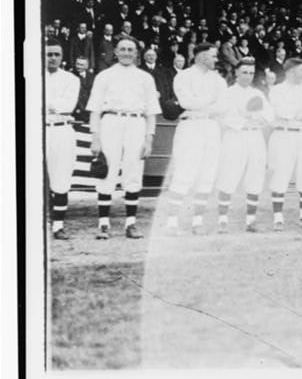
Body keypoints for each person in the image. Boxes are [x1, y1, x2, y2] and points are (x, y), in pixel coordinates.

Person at [85, 36, 160, 239]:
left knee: (133, 171)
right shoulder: (104, 76)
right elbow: (94, 110)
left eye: (131, 50)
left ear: (137, 54)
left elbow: (152, 112)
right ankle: (103, 225)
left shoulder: (146, 78)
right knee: (107, 170)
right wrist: (95, 137)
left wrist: (149, 139)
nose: (127, 53)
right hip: (111, 121)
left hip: (136, 122)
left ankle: (131, 224)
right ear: (115, 52)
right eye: (123, 49)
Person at [163, 42, 228, 234]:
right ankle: (172, 221)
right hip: (190, 126)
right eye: (213, 56)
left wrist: (202, 103)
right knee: (185, 171)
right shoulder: (183, 76)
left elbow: (223, 106)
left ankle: (197, 221)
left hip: (211, 126)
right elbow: (185, 102)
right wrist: (209, 100)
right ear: (201, 57)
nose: (216, 59)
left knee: (207, 173)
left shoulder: (218, 80)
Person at [211, 56, 274, 233]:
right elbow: (222, 116)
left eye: (251, 73)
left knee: (255, 176)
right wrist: (242, 119)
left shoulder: (258, 94)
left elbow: (269, 115)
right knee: (229, 175)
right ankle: (223, 220)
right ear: (237, 73)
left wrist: (254, 117)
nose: (248, 76)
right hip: (235, 136)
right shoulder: (228, 93)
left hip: (255, 137)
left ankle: (251, 221)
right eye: (244, 72)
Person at [266, 58, 302, 230]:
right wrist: (300, 111)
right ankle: (278, 219)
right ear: (290, 71)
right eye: (301, 70)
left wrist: (297, 112)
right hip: (284, 134)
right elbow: (282, 112)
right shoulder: (276, 90)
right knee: (280, 176)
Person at [45, 40, 81, 239]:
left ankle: (58, 226)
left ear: (62, 57)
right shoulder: (32, 76)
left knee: (61, 177)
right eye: (49, 54)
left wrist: (44, 102)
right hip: (38, 129)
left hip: (61, 130)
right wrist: (54, 104)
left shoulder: (71, 79)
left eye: (56, 54)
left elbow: (67, 105)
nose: (52, 58)